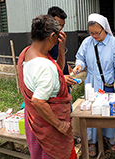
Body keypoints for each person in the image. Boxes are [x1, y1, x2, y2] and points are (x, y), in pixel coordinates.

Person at [17, 15, 76, 159]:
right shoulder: (45, 66)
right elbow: (38, 101)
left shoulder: (27, 53)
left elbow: (57, 72)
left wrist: (61, 51)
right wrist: (60, 125)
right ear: (52, 36)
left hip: (35, 122)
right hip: (50, 125)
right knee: (53, 154)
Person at [73, 13, 115, 157]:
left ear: (105, 29)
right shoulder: (87, 42)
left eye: (97, 32)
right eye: (91, 33)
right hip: (92, 81)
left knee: (109, 111)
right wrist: (79, 66)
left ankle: (109, 138)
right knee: (92, 111)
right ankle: (92, 141)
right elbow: (81, 58)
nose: (94, 35)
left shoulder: (114, 42)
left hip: (109, 82)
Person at [47, 6, 77, 100]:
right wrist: (61, 78)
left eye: (62, 25)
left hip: (63, 83)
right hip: (53, 86)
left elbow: (56, 56)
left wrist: (65, 64)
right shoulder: (45, 41)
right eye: (58, 25)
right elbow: (45, 65)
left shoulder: (59, 36)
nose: (60, 28)